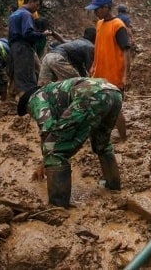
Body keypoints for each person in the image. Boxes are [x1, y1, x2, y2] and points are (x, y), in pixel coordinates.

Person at [17, 77, 124, 206]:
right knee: (102, 144)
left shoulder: (35, 99)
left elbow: (48, 131)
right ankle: (113, 187)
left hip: (89, 96)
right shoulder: (53, 91)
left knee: (55, 150)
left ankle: (58, 206)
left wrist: (47, 160)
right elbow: (58, 129)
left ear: (27, 107)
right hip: (114, 92)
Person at [86, 0, 131, 141]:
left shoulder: (118, 26)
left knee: (115, 108)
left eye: (97, 9)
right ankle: (103, 133)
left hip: (114, 74)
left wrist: (125, 76)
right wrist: (93, 65)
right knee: (100, 104)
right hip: (100, 73)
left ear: (106, 8)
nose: (95, 12)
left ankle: (123, 137)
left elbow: (126, 51)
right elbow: (99, 47)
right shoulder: (99, 24)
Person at [8, 0, 49, 97]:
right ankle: (27, 103)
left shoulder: (14, 14)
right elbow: (27, 33)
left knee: (17, 74)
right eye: (37, 4)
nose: (37, 8)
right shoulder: (26, 15)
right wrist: (42, 34)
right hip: (23, 47)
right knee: (26, 78)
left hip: (14, 47)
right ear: (30, 2)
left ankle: (10, 98)